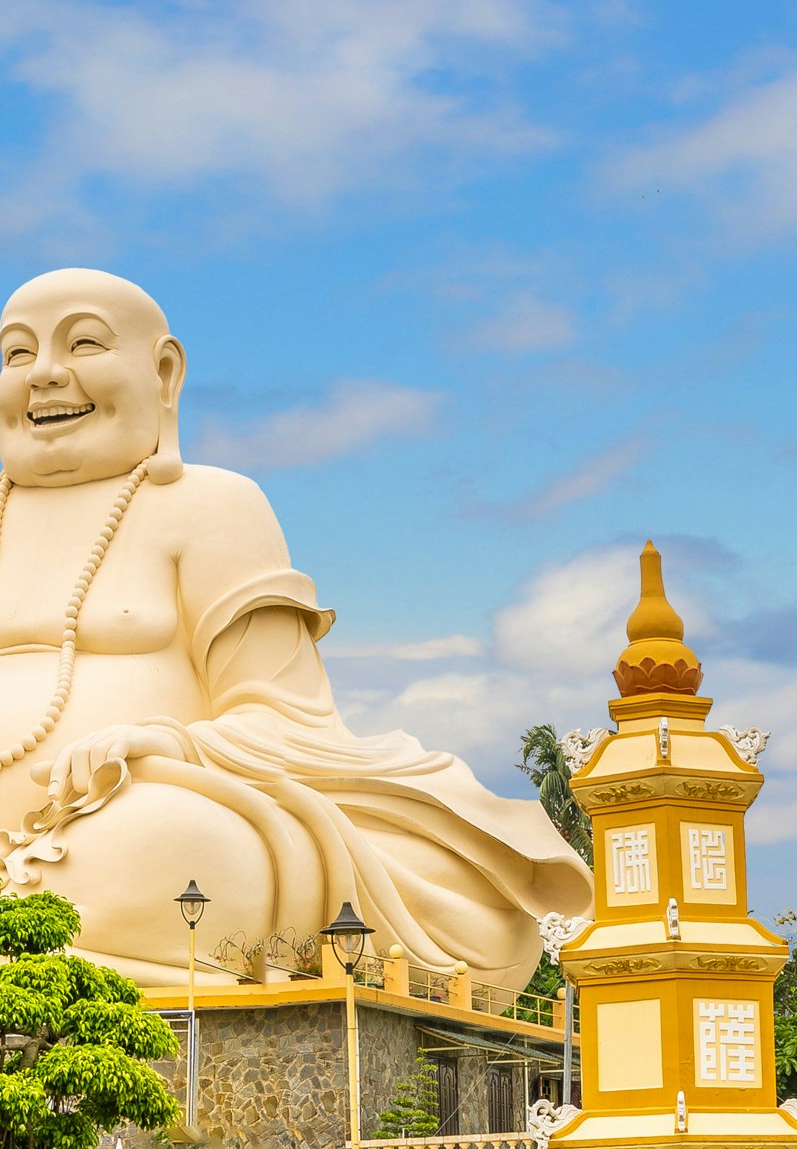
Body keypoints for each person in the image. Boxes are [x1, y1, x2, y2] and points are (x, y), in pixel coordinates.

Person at [0, 266, 587, 998]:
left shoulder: (210, 504)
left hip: (133, 820)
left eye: (83, 343)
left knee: (163, 844)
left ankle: (85, 960)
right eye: (17, 355)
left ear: (164, 373)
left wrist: (170, 742)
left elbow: (287, 715)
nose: (46, 375)